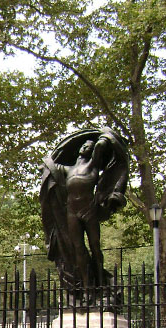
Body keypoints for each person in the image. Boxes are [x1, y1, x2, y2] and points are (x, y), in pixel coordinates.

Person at [40, 128, 128, 306]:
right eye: (84, 145)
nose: (84, 147)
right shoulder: (68, 169)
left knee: (95, 247)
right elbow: (51, 168)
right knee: (78, 248)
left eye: (88, 145)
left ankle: (101, 285)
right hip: (72, 211)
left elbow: (103, 143)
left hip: (89, 210)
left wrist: (103, 135)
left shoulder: (93, 165)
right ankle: (88, 289)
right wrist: (46, 163)